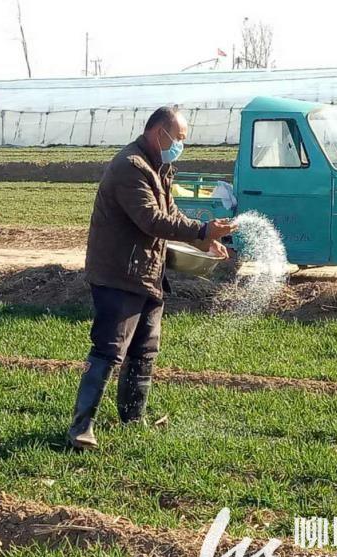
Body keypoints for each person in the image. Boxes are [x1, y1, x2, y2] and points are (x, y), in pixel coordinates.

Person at [67, 105, 238, 450]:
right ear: (157, 132)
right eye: (178, 138)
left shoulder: (159, 167)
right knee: (109, 349)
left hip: (147, 271)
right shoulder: (130, 167)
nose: (180, 145)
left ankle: (133, 419)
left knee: (145, 349)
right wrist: (203, 228)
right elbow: (150, 219)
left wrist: (204, 240)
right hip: (119, 273)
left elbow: (170, 214)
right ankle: (80, 428)